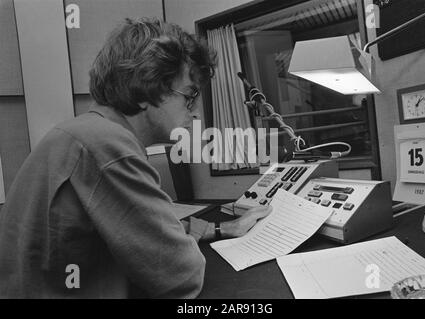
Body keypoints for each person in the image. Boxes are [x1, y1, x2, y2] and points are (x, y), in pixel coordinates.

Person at [0, 18, 272, 299]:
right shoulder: (107, 146)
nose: (195, 113)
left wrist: (221, 228)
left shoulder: (83, 133)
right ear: (148, 87)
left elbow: (141, 231)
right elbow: (181, 276)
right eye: (189, 96)